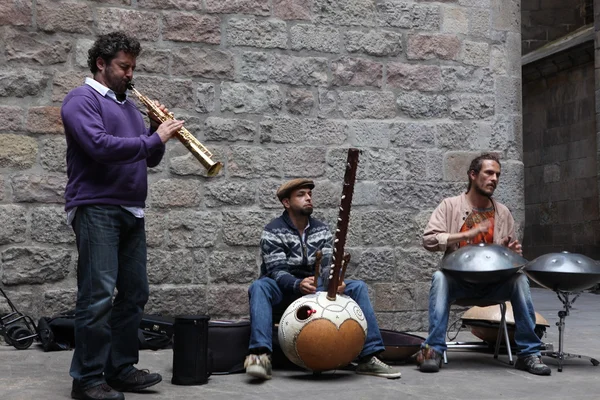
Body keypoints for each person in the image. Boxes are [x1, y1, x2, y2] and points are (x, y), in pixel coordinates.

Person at [61, 32, 184, 400]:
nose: (131, 74)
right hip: (97, 205)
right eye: (124, 67)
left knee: (134, 294)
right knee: (97, 295)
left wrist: (153, 131)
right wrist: (154, 138)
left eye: (133, 67)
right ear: (101, 63)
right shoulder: (80, 100)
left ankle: (120, 369)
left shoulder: (129, 106)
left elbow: (148, 158)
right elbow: (99, 146)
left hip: (132, 209)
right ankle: (86, 379)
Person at [244, 178, 402, 381]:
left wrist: (335, 282)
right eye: (301, 195)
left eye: (309, 194)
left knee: (357, 287)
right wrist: (296, 284)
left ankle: (368, 357)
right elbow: (276, 271)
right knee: (260, 286)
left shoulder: (322, 230)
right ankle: (260, 356)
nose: (308, 198)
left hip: (316, 288)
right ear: (286, 203)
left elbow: (328, 267)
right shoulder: (273, 231)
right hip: (284, 290)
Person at [417, 153, 551, 376]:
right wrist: (465, 234)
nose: (494, 178)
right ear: (472, 175)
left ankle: (528, 353)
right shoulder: (449, 206)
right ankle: (433, 351)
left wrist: (511, 253)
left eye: (497, 174)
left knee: (519, 279)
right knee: (439, 277)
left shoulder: (503, 213)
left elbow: (509, 257)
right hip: (458, 283)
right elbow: (428, 240)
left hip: (493, 285)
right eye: (489, 173)